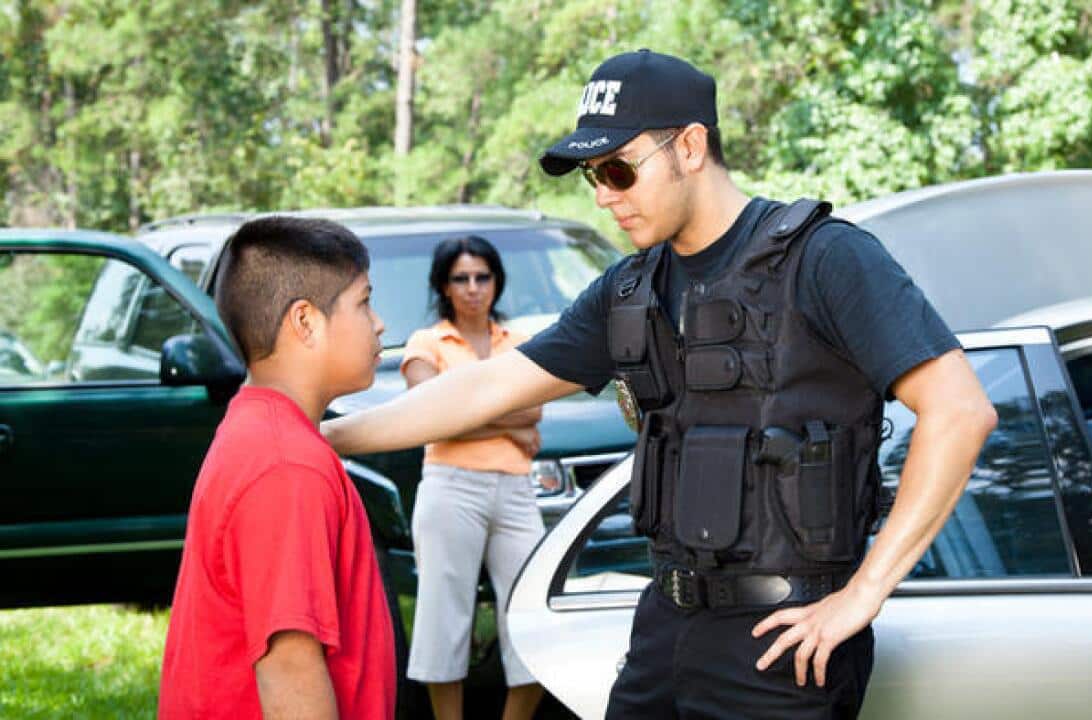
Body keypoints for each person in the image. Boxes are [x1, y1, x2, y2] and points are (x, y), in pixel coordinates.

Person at [323, 50, 997, 719]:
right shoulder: (630, 288)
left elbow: (960, 411)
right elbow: (484, 389)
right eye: (592, 175)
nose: (603, 195)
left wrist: (864, 594)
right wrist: (323, 437)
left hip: (782, 645)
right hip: (664, 629)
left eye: (619, 169)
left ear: (692, 147)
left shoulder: (825, 258)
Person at [159, 217, 395, 720]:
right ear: (305, 322)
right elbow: (290, 670)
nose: (379, 324)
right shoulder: (287, 467)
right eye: (364, 302)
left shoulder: (265, 433)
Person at [400, 235, 546, 720]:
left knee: (531, 611)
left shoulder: (518, 344)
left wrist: (463, 411)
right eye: (460, 278)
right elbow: (431, 413)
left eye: (482, 277)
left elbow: (533, 409)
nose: (472, 288)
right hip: (451, 487)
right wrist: (509, 423)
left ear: (496, 282)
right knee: (443, 618)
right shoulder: (427, 343)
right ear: (444, 285)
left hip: (516, 490)